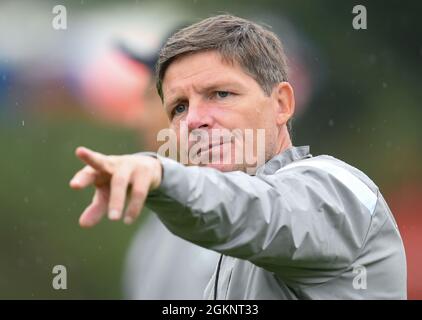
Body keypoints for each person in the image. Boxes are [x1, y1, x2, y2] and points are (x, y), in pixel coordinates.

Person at [69, 15, 407, 299]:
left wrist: (161, 173)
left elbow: (257, 211)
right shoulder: (213, 245)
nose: (193, 120)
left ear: (282, 104)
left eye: (220, 93)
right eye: (179, 107)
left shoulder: (336, 188)